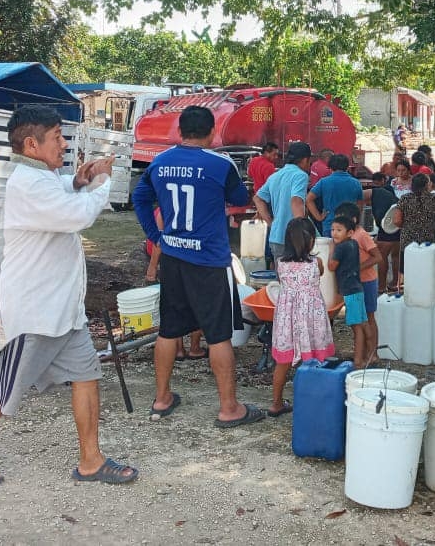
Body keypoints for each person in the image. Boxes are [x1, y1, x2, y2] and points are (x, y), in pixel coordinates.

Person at [0, 105, 137, 488]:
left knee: (86, 375)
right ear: (32, 143)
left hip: (62, 309)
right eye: (58, 137)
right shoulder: (28, 184)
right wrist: (102, 184)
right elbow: (75, 216)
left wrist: (78, 182)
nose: (64, 145)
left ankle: (91, 460)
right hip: (33, 312)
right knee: (2, 389)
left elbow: (61, 194)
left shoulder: (38, 176)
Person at [133, 105, 263, 428]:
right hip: (208, 260)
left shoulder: (159, 162)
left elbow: (139, 198)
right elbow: (239, 199)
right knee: (218, 335)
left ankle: (161, 398)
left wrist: (157, 236)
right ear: (211, 133)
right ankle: (229, 407)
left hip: (174, 259)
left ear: (179, 131)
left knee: (169, 329)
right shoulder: (220, 163)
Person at [269, 217, 335, 418]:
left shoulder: (280, 264)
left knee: (283, 362)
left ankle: (276, 403)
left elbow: (284, 282)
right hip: (311, 319)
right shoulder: (317, 263)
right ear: (311, 241)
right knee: (316, 358)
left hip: (287, 319)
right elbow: (321, 274)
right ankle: (315, 402)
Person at [145, 214, 206, 362]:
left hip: (171, 261)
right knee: (197, 305)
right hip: (196, 259)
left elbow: (159, 242)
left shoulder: (165, 206)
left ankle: (178, 349)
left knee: (175, 305)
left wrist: (152, 267)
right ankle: (194, 348)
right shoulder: (198, 200)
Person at [335, 201, 380, 361]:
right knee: (359, 321)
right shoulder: (346, 236)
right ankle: (361, 353)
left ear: (353, 220)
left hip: (367, 281)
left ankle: (373, 354)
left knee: (368, 318)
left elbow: (378, 256)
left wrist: (356, 268)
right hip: (355, 284)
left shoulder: (361, 235)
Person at [253, 142, 312, 262]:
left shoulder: (275, 175)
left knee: (281, 278)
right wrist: (301, 233)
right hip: (293, 239)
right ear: (305, 160)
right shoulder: (300, 175)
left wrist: (270, 223)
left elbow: (257, 198)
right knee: (297, 278)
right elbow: (296, 201)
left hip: (275, 237)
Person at [328, 214, 369, 369]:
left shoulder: (341, 247)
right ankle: (365, 355)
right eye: (332, 230)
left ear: (350, 232)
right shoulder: (352, 244)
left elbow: (332, 266)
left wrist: (331, 250)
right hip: (356, 288)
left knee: (356, 326)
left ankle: (358, 360)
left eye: (339, 230)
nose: (334, 233)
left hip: (350, 290)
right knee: (361, 323)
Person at [306, 153, 363, 237]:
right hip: (349, 226)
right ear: (347, 167)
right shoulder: (356, 183)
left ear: (330, 168)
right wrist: (356, 221)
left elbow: (308, 199)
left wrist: (318, 217)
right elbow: (359, 205)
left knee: (331, 250)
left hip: (330, 226)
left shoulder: (324, 182)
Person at [365, 172, 401, 291]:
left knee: (381, 256)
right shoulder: (391, 195)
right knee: (396, 256)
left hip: (388, 227)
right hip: (398, 226)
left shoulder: (377, 195)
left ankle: (381, 286)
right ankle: (395, 283)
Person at [392, 173, 435, 261]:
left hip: (408, 241)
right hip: (428, 240)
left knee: (407, 269)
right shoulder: (434, 198)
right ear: (426, 185)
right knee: (427, 267)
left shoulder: (404, 198)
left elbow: (396, 221)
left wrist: (407, 226)